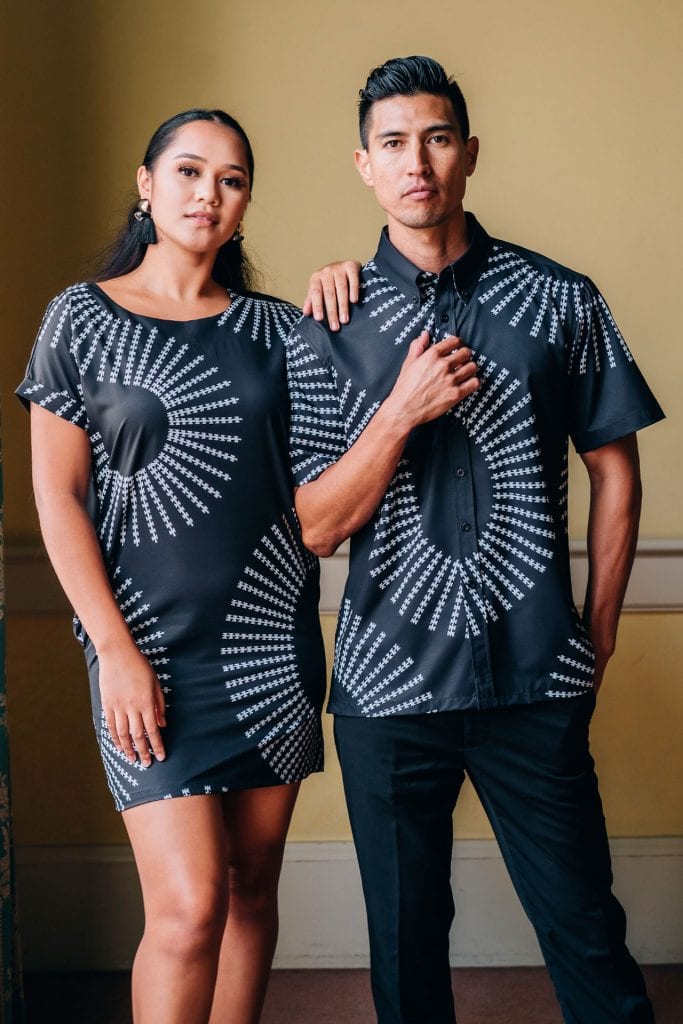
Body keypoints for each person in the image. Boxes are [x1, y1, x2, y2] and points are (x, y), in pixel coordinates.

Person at [287, 56, 664, 1024]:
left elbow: (613, 468)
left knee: (584, 927)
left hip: (536, 672)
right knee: (403, 947)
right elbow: (317, 526)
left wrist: (600, 629)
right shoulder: (325, 321)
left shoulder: (561, 299)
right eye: (392, 143)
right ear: (364, 166)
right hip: (386, 683)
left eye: (436, 137)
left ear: (468, 154)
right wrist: (397, 414)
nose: (417, 161)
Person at [17, 108, 348, 1024]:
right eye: (190, 171)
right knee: (189, 905)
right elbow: (57, 499)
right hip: (145, 645)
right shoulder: (82, 318)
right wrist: (112, 649)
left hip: (267, 641)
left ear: (245, 202)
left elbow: (326, 483)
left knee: (247, 892)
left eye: (231, 179)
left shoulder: (283, 332)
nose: (208, 193)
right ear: (146, 183)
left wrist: (347, 285)